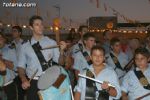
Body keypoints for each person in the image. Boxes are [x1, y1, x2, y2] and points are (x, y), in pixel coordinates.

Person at [17, 15, 66, 100]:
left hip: (51, 80)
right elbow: (20, 66)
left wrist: (61, 52)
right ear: (31, 27)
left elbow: (61, 63)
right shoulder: (25, 46)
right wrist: (24, 79)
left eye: (41, 24)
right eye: (37, 24)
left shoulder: (51, 42)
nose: (41, 27)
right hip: (33, 83)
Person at [0, 33, 17, 100]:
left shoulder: (10, 49)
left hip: (8, 85)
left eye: (1, 38)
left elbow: (15, 67)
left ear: (4, 39)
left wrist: (2, 60)